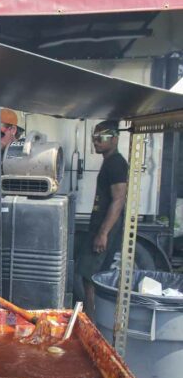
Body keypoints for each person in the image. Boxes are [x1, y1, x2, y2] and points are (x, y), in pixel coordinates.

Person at [74, 120, 128, 318]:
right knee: (89, 275)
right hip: (99, 225)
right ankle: (92, 318)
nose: (96, 142)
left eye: (102, 137)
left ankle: (92, 321)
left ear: (114, 138)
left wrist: (103, 233)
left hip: (105, 228)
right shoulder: (110, 162)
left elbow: (119, 199)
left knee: (90, 276)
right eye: (94, 138)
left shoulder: (116, 164)